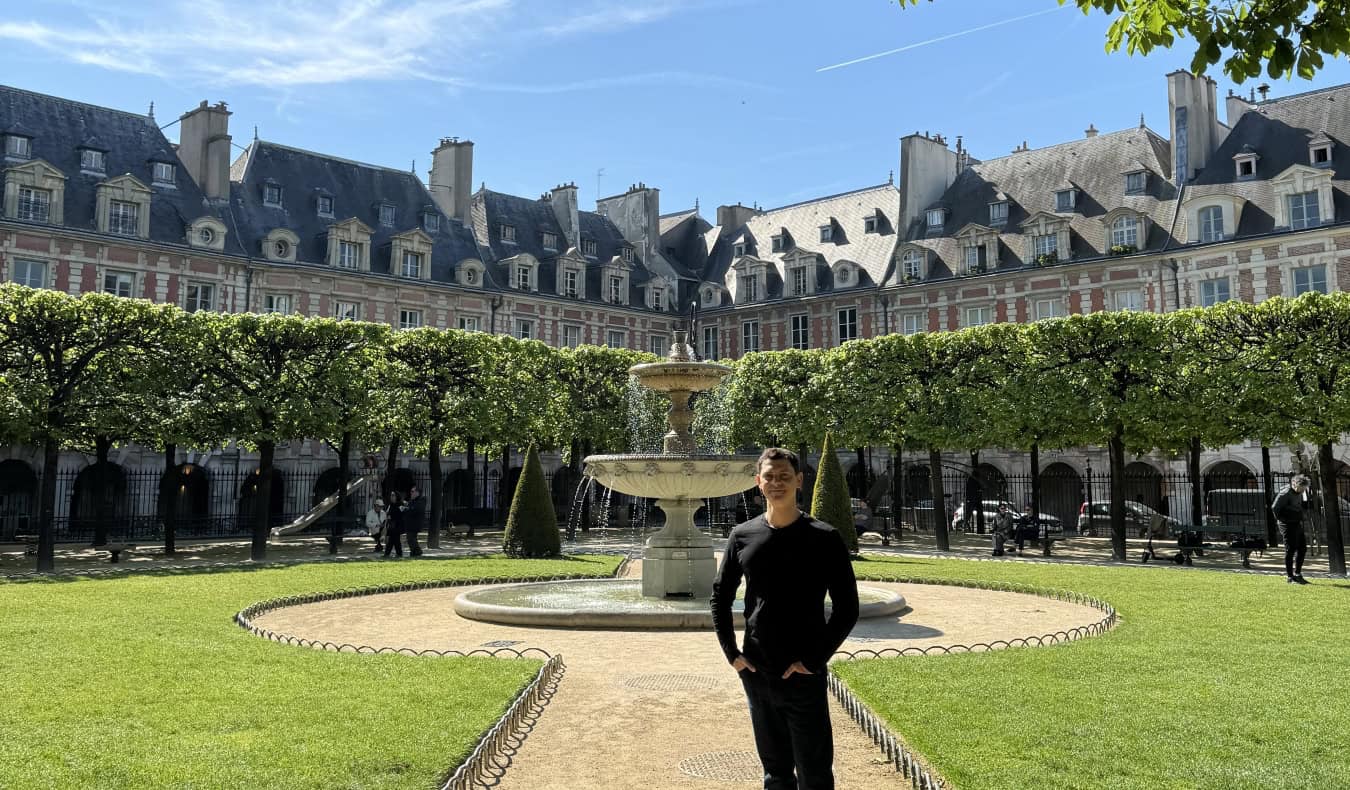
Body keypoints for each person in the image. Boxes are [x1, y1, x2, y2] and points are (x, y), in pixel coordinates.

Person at [711, 447, 859, 790]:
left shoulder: (824, 537)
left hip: (803, 671)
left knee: (815, 772)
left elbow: (847, 608)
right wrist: (731, 653)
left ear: (799, 481)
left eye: (784, 477)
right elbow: (720, 596)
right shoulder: (742, 536)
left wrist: (813, 659)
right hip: (757, 669)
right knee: (775, 772)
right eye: (769, 477)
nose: (776, 483)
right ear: (758, 483)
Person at [1272, 474, 1312, 584]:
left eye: (1304, 488)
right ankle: (1290, 577)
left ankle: (1298, 574)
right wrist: (1284, 520)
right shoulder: (1285, 493)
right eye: (1301, 488)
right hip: (1287, 524)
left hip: (1296, 523)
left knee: (1302, 548)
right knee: (1290, 549)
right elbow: (1275, 508)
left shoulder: (1300, 493)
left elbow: (1302, 505)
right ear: (1294, 484)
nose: (1302, 490)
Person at [403, 485, 426, 557]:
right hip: (410, 524)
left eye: (412, 491)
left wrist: (407, 508)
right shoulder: (412, 500)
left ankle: (417, 552)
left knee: (411, 538)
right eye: (411, 491)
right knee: (411, 539)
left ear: (417, 493)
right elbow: (410, 508)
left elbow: (416, 509)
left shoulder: (421, 500)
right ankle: (414, 552)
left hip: (415, 524)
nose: (411, 493)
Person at [383, 490, 405, 558]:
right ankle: (396, 553)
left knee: (394, 540)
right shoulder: (391, 505)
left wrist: (391, 516)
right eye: (391, 495)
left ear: (396, 496)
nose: (391, 497)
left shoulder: (400, 504)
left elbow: (401, 515)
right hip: (392, 525)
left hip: (397, 525)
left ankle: (390, 554)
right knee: (393, 540)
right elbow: (388, 513)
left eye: (393, 495)